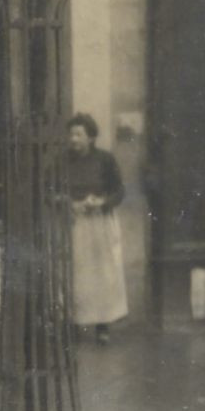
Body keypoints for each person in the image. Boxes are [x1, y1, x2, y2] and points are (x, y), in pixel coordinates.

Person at [66, 112, 127, 343]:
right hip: (73, 223)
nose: (73, 139)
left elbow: (120, 191)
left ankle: (103, 326)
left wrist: (102, 202)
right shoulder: (61, 161)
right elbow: (49, 190)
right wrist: (69, 203)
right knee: (76, 273)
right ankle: (73, 323)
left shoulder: (105, 160)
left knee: (102, 273)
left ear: (90, 137)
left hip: (100, 223)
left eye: (78, 134)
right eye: (71, 134)